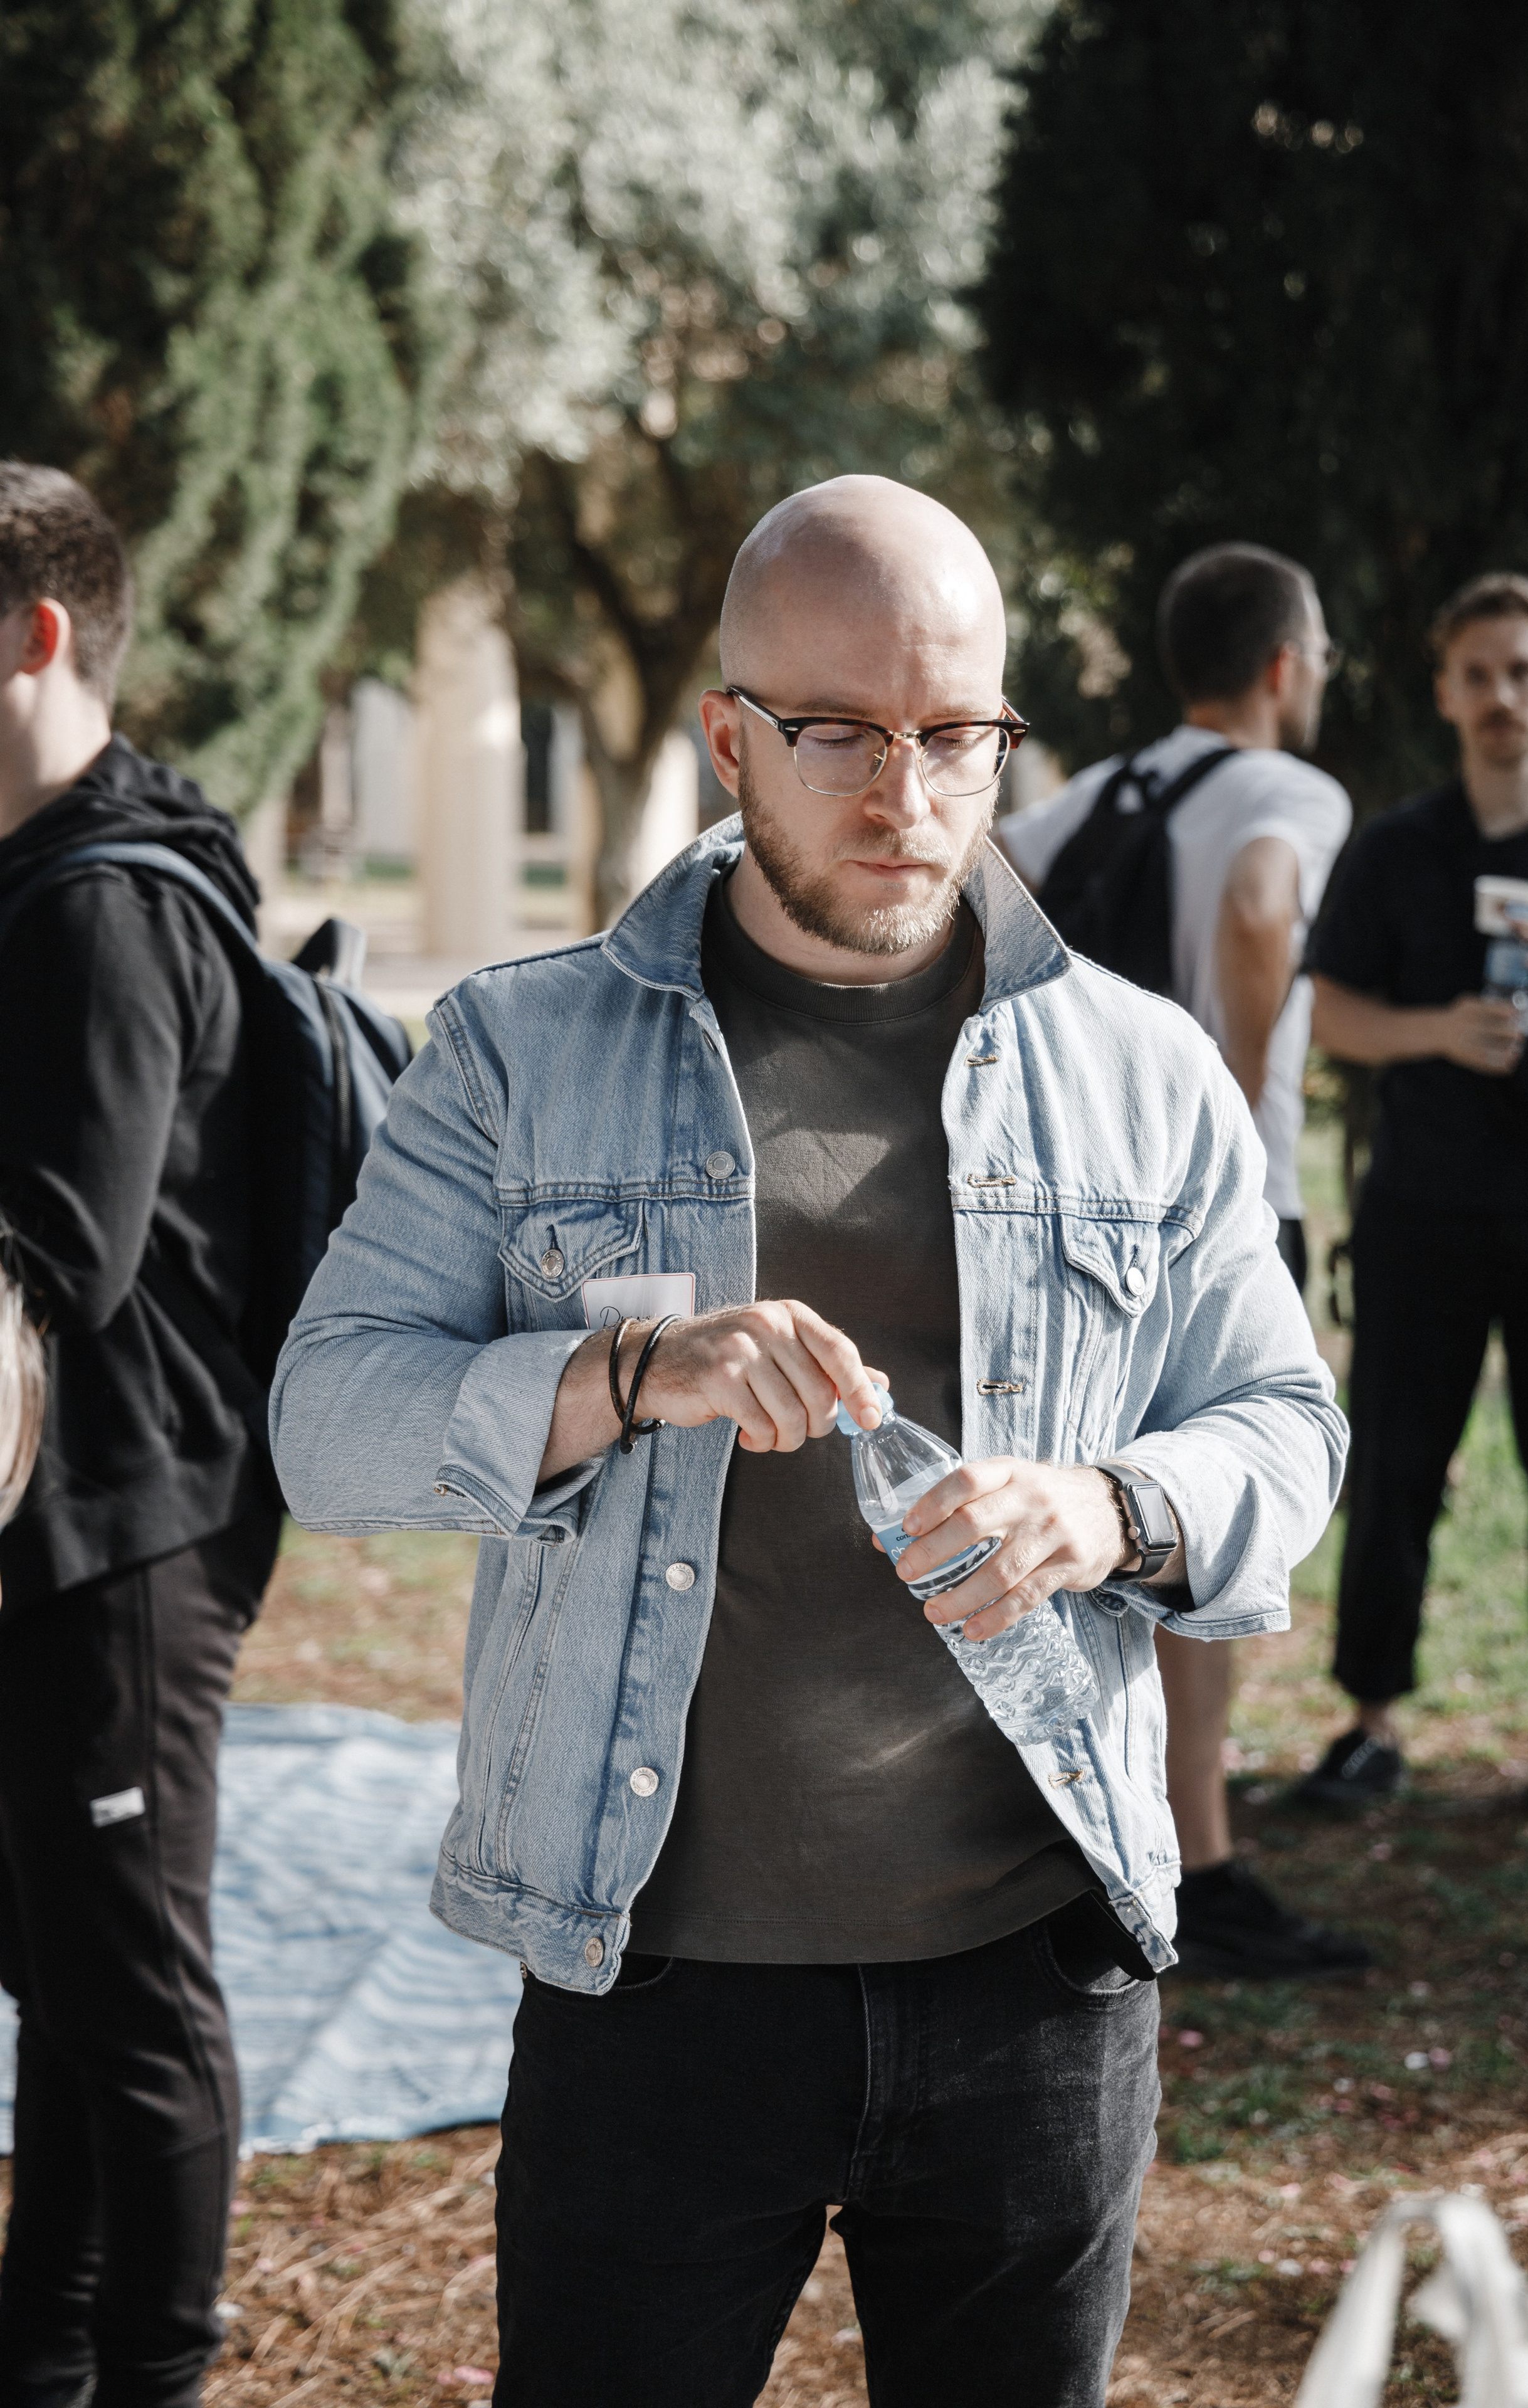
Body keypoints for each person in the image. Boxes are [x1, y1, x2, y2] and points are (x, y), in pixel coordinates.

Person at [273, 475, 1344, 2405]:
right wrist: (631, 1370)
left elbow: (1286, 1424)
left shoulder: (1143, 1068)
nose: (905, 795)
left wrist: (1111, 1507)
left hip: (1037, 1980)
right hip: (654, 1990)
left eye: (957, 738)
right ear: (725, 737)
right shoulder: (520, 1053)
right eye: (840, 731)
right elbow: (326, 1425)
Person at [0, 464, 282, 2408]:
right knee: (70, 1991)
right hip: (59, 1520)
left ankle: (152, 2382)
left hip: (133, 1530)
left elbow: (59, 1260)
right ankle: (44, 2356)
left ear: (32, 635)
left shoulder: (106, 906)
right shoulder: (52, 871)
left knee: (140, 1998)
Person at [1000, 544, 1367, 1981]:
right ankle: (1194, 1861)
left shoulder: (1109, 785)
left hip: (1059, 1192)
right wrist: (1234, 1099)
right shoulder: (1290, 791)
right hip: (1209, 1199)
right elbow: (1262, 912)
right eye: (1321, 649)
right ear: (1281, 664)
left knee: (1089, 1508)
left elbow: (988, 900)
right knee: (1200, 1513)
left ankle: (1101, 1830)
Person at [1299, 572, 1528, 1813]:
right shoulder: (1394, 847)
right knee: (1395, 1469)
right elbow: (1322, 1013)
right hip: (1421, 1207)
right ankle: (1368, 1722)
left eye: (1518, 672)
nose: (1497, 697)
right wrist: (1433, 1032)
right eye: (1473, 675)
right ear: (1442, 693)